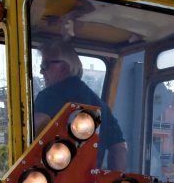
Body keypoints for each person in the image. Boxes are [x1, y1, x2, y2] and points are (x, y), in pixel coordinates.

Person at [33, 39, 129, 171]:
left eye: (45, 65)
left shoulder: (49, 96)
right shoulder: (102, 106)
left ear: (64, 68)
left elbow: (35, 128)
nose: (41, 72)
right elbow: (120, 149)